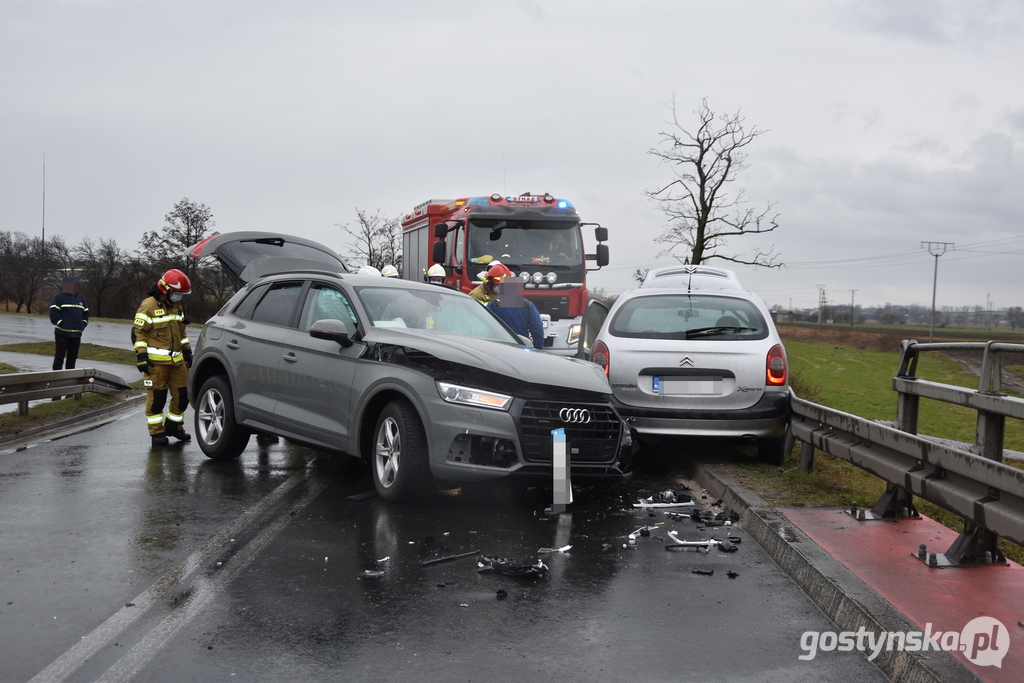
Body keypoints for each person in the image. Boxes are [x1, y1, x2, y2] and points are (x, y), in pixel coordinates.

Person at [132, 269, 193, 447]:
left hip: (177, 362)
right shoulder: (148, 306)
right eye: (177, 293)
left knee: (183, 396)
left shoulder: (176, 306)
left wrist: (187, 352)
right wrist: (141, 355)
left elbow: (181, 332)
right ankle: (157, 432)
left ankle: (174, 427)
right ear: (165, 289)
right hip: (156, 364)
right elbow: (138, 332)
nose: (179, 297)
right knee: (157, 399)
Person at [486, 279, 545, 349]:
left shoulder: (493, 304)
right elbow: (537, 328)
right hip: (521, 345)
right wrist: (538, 348)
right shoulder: (528, 305)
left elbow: (484, 327)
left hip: (498, 346)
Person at [49, 276, 89, 371]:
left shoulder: (80, 298)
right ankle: (56, 376)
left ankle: (70, 376)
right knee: (60, 356)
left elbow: (86, 312)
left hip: (76, 334)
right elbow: (54, 313)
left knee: (73, 357)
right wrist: (61, 323)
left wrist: (83, 324)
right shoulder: (58, 297)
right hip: (62, 333)